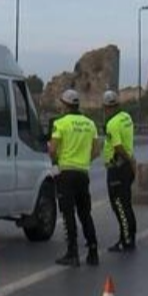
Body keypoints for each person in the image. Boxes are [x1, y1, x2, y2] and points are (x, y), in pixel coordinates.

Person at [48, 89, 101, 267]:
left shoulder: (60, 123)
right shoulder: (90, 124)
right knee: (85, 213)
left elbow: (53, 149)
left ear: (65, 105)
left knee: (68, 214)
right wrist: (85, 161)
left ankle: (72, 252)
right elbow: (96, 150)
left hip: (66, 173)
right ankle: (93, 251)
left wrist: (55, 164)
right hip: (82, 173)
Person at [102, 90, 137, 252]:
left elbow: (117, 146)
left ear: (107, 107)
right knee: (126, 203)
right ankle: (130, 236)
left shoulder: (112, 123)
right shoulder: (127, 118)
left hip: (117, 167)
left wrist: (128, 160)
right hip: (127, 167)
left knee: (119, 205)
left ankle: (126, 240)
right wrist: (131, 162)